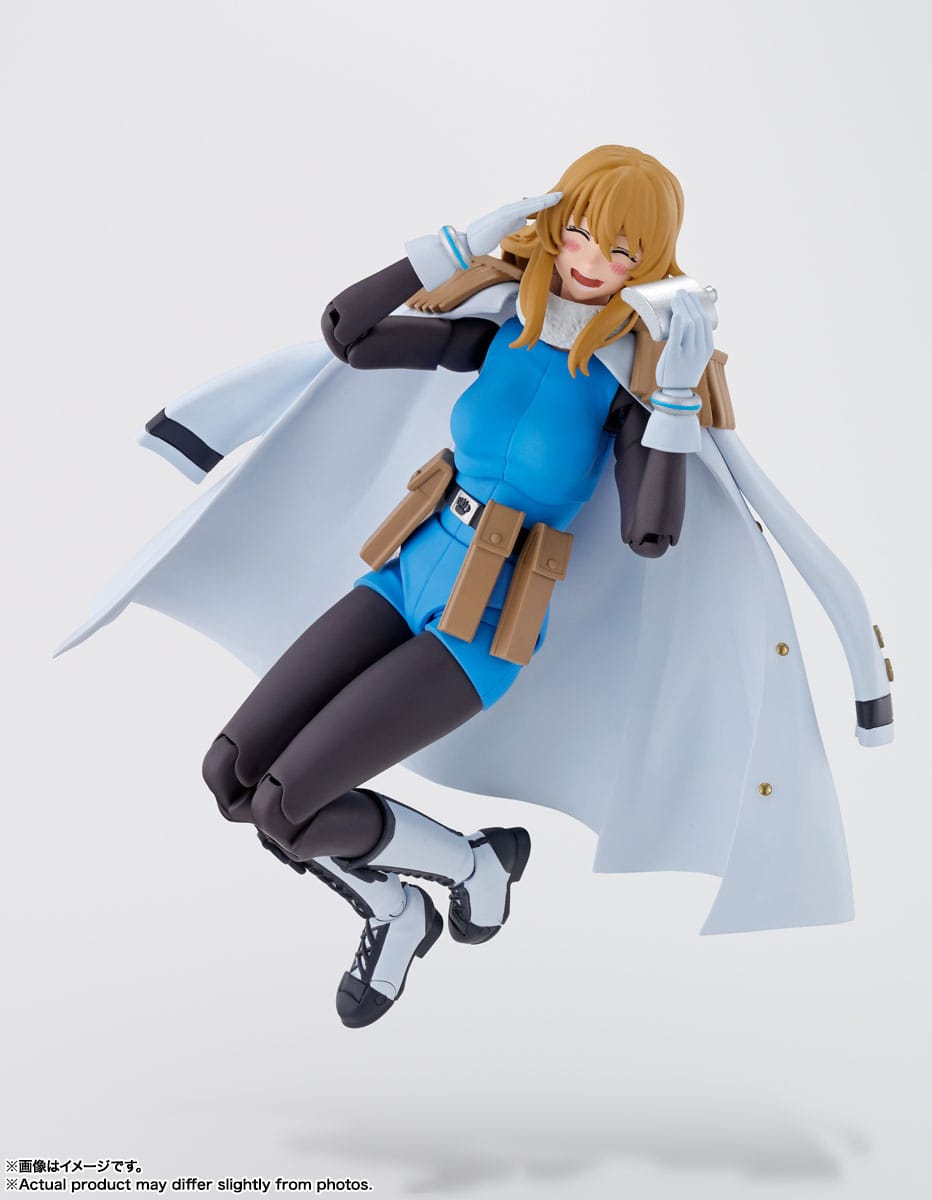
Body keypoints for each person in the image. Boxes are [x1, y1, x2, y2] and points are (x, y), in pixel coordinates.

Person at [57, 146, 894, 1030]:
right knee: (231, 777)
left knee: (286, 806)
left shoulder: (627, 384)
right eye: (580, 233)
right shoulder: (501, 328)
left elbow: (651, 533)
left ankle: (461, 874)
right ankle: (419, 892)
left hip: (486, 622)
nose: (591, 261)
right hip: (408, 565)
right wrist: (449, 251)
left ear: (647, 265)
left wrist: (677, 398)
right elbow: (349, 334)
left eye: (622, 251)